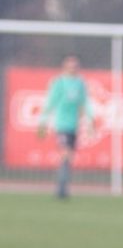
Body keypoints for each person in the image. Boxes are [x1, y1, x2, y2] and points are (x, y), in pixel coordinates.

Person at [37, 55, 94, 199]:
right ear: (65, 67)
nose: (73, 69)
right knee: (65, 154)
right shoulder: (59, 83)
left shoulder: (80, 83)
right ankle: (61, 188)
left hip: (73, 126)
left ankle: (63, 186)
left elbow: (85, 102)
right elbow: (51, 102)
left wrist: (90, 119)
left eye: (75, 66)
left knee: (68, 157)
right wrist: (43, 122)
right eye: (70, 66)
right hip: (61, 125)